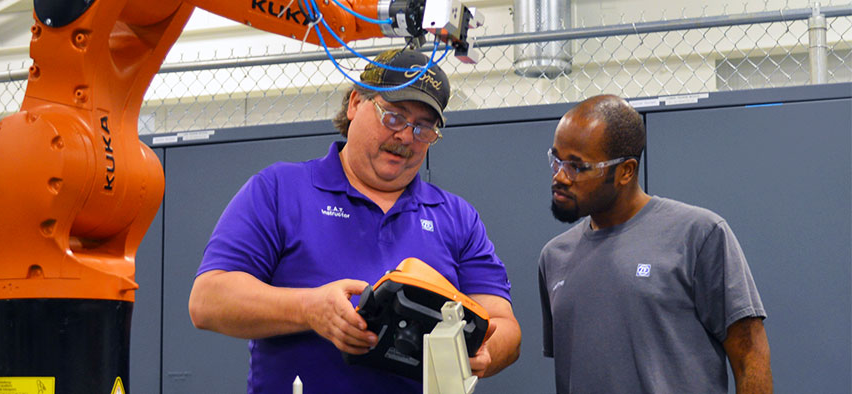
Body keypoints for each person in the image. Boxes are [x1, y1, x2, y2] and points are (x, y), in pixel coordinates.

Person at [189, 48, 522, 394]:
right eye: (393, 117)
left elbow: (505, 327)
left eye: (424, 128)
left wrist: (484, 353)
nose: (406, 137)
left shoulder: (456, 218)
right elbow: (208, 300)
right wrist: (309, 309)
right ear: (354, 104)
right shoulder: (279, 190)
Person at [538, 94, 772, 394]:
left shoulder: (699, 235)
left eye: (577, 167)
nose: (560, 176)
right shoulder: (554, 257)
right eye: (556, 159)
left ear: (625, 171)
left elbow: (750, 356)